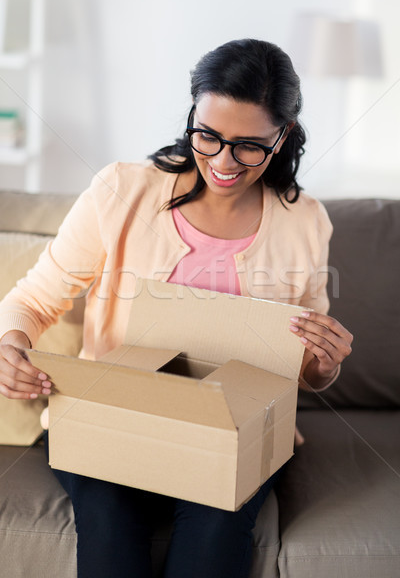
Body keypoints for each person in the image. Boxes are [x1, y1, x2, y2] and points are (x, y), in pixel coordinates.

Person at [0, 39, 353, 578]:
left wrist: (323, 366)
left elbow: (302, 365)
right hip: (112, 413)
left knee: (217, 526)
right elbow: (34, 297)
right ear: (193, 115)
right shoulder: (122, 190)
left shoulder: (305, 221)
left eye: (249, 147)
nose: (222, 161)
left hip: (232, 428)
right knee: (111, 517)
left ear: (282, 137)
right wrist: (10, 343)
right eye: (207, 135)